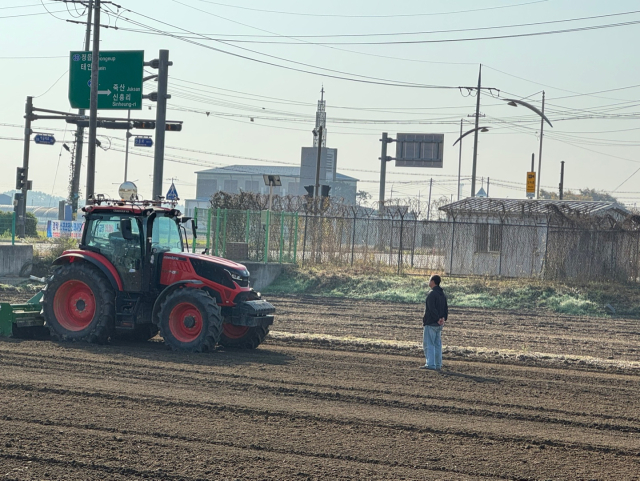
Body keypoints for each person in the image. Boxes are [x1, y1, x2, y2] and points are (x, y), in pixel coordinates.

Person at [420, 275, 448, 371]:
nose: (429, 282)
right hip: (439, 324)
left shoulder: (432, 294)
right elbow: (445, 308)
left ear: (433, 281)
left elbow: (431, 308)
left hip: (431, 322)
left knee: (429, 344)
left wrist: (436, 318)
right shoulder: (442, 294)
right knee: (437, 345)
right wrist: (443, 318)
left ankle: (430, 364)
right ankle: (438, 364)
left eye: (430, 280)